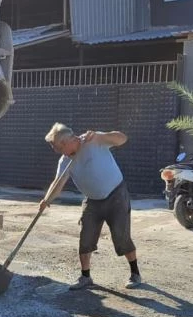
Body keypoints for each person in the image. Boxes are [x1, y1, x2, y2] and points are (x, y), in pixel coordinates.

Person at [41, 122, 142, 290]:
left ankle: (135, 273)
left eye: (58, 147)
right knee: (85, 238)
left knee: (121, 236)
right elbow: (57, 183)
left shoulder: (93, 141)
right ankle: (85, 277)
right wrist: (46, 200)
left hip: (116, 194)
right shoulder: (65, 160)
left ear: (66, 142)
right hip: (92, 200)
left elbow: (122, 138)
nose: (57, 151)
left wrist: (102, 136)